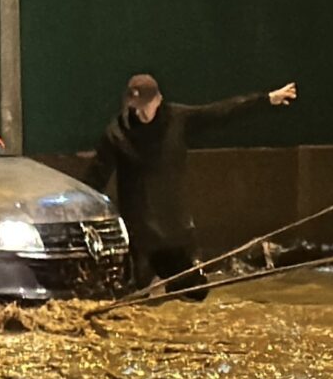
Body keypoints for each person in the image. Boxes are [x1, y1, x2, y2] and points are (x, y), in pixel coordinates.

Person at [81, 72, 297, 298]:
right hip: (141, 235)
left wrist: (265, 100)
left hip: (175, 230)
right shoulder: (117, 133)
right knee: (146, 295)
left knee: (196, 294)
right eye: (136, 106)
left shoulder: (178, 118)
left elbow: (219, 112)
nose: (141, 112)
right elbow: (96, 176)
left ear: (158, 99)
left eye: (146, 105)